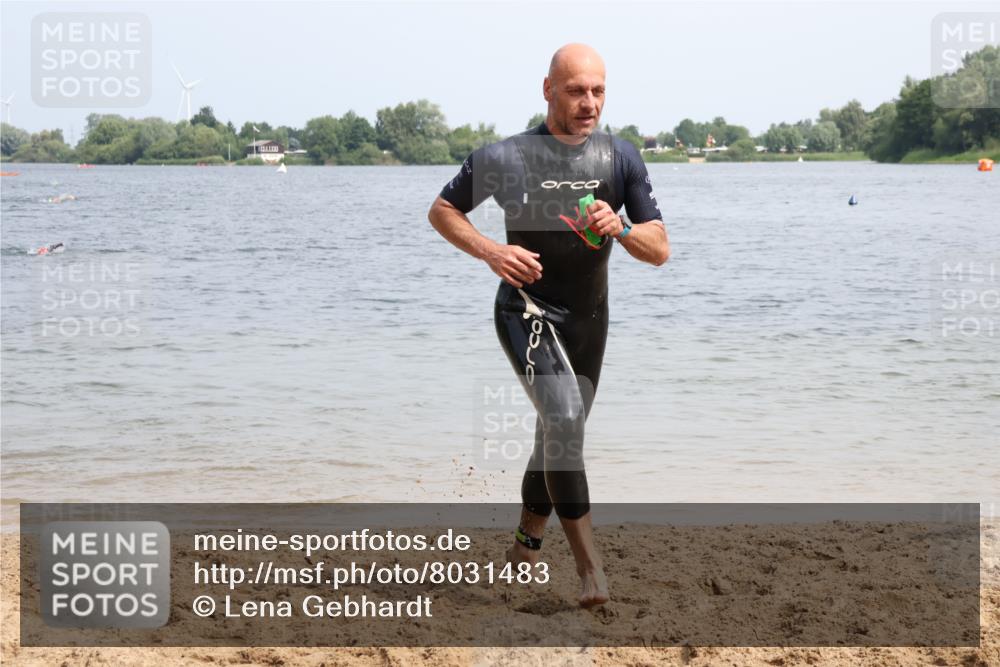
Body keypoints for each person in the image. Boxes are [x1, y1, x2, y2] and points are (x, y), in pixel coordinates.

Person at [427, 43, 670, 608]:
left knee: (557, 437)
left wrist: (621, 228)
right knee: (562, 420)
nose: (589, 103)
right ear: (548, 90)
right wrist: (492, 251)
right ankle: (590, 571)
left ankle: (524, 547)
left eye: (598, 91)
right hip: (526, 309)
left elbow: (659, 248)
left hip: (589, 319)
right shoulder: (506, 156)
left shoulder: (621, 159)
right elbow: (442, 210)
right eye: (576, 91)